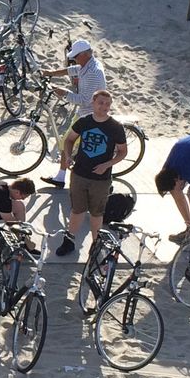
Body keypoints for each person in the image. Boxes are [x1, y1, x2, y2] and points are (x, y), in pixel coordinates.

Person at [54, 90, 128, 256]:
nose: (104, 107)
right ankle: (69, 240)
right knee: (77, 210)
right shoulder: (84, 121)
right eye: (101, 103)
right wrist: (67, 156)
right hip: (80, 173)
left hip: (101, 179)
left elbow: (122, 151)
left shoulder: (115, 127)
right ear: (93, 103)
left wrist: (107, 164)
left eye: (107, 104)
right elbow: (69, 139)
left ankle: (96, 246)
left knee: (97, 213)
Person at [40, 39, 107, 188]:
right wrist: (52, 73)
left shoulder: (93, 73)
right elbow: (73, 69)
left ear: (84, 54)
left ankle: (61, 178)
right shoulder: (87, 65)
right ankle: (61, 176)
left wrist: (64, 93)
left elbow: (84, 100)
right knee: (68, 144)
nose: (74, 59)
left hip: (89, 116)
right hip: (83, 113)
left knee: (66, 143)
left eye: (76, 56)